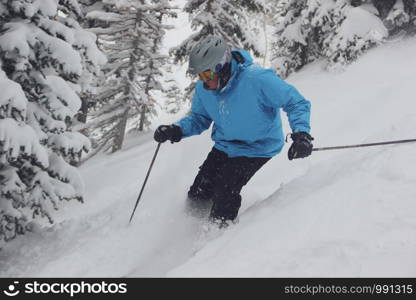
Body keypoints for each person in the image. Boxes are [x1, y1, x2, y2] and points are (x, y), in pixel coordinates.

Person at [154, 35, 313, 228]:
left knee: (224, 192)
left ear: (222, 66)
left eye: (207, 75)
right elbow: (200, 118)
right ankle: (185, 231)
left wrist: (301, 134)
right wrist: (176, 130)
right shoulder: (205, 89)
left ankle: (216, 239)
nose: (204, 82)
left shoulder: (257, 80)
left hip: (257, 147)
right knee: (199, 192)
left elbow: (295, 102)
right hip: (225, 144)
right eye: (200, 76)